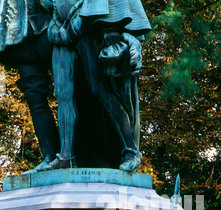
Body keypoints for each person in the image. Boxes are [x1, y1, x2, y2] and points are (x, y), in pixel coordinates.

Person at [41, 0, 151, 172]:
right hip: (59, 30)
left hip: (85, 22)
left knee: (99, 89)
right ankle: (66, 156)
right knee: (62, 94)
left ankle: (131, 151)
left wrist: (111, 30)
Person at [0, 0, 59, 171]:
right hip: (20, 38)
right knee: (35, 98)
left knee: (66, 93)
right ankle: (49, 155)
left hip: (50, 29)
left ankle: (72, 153)